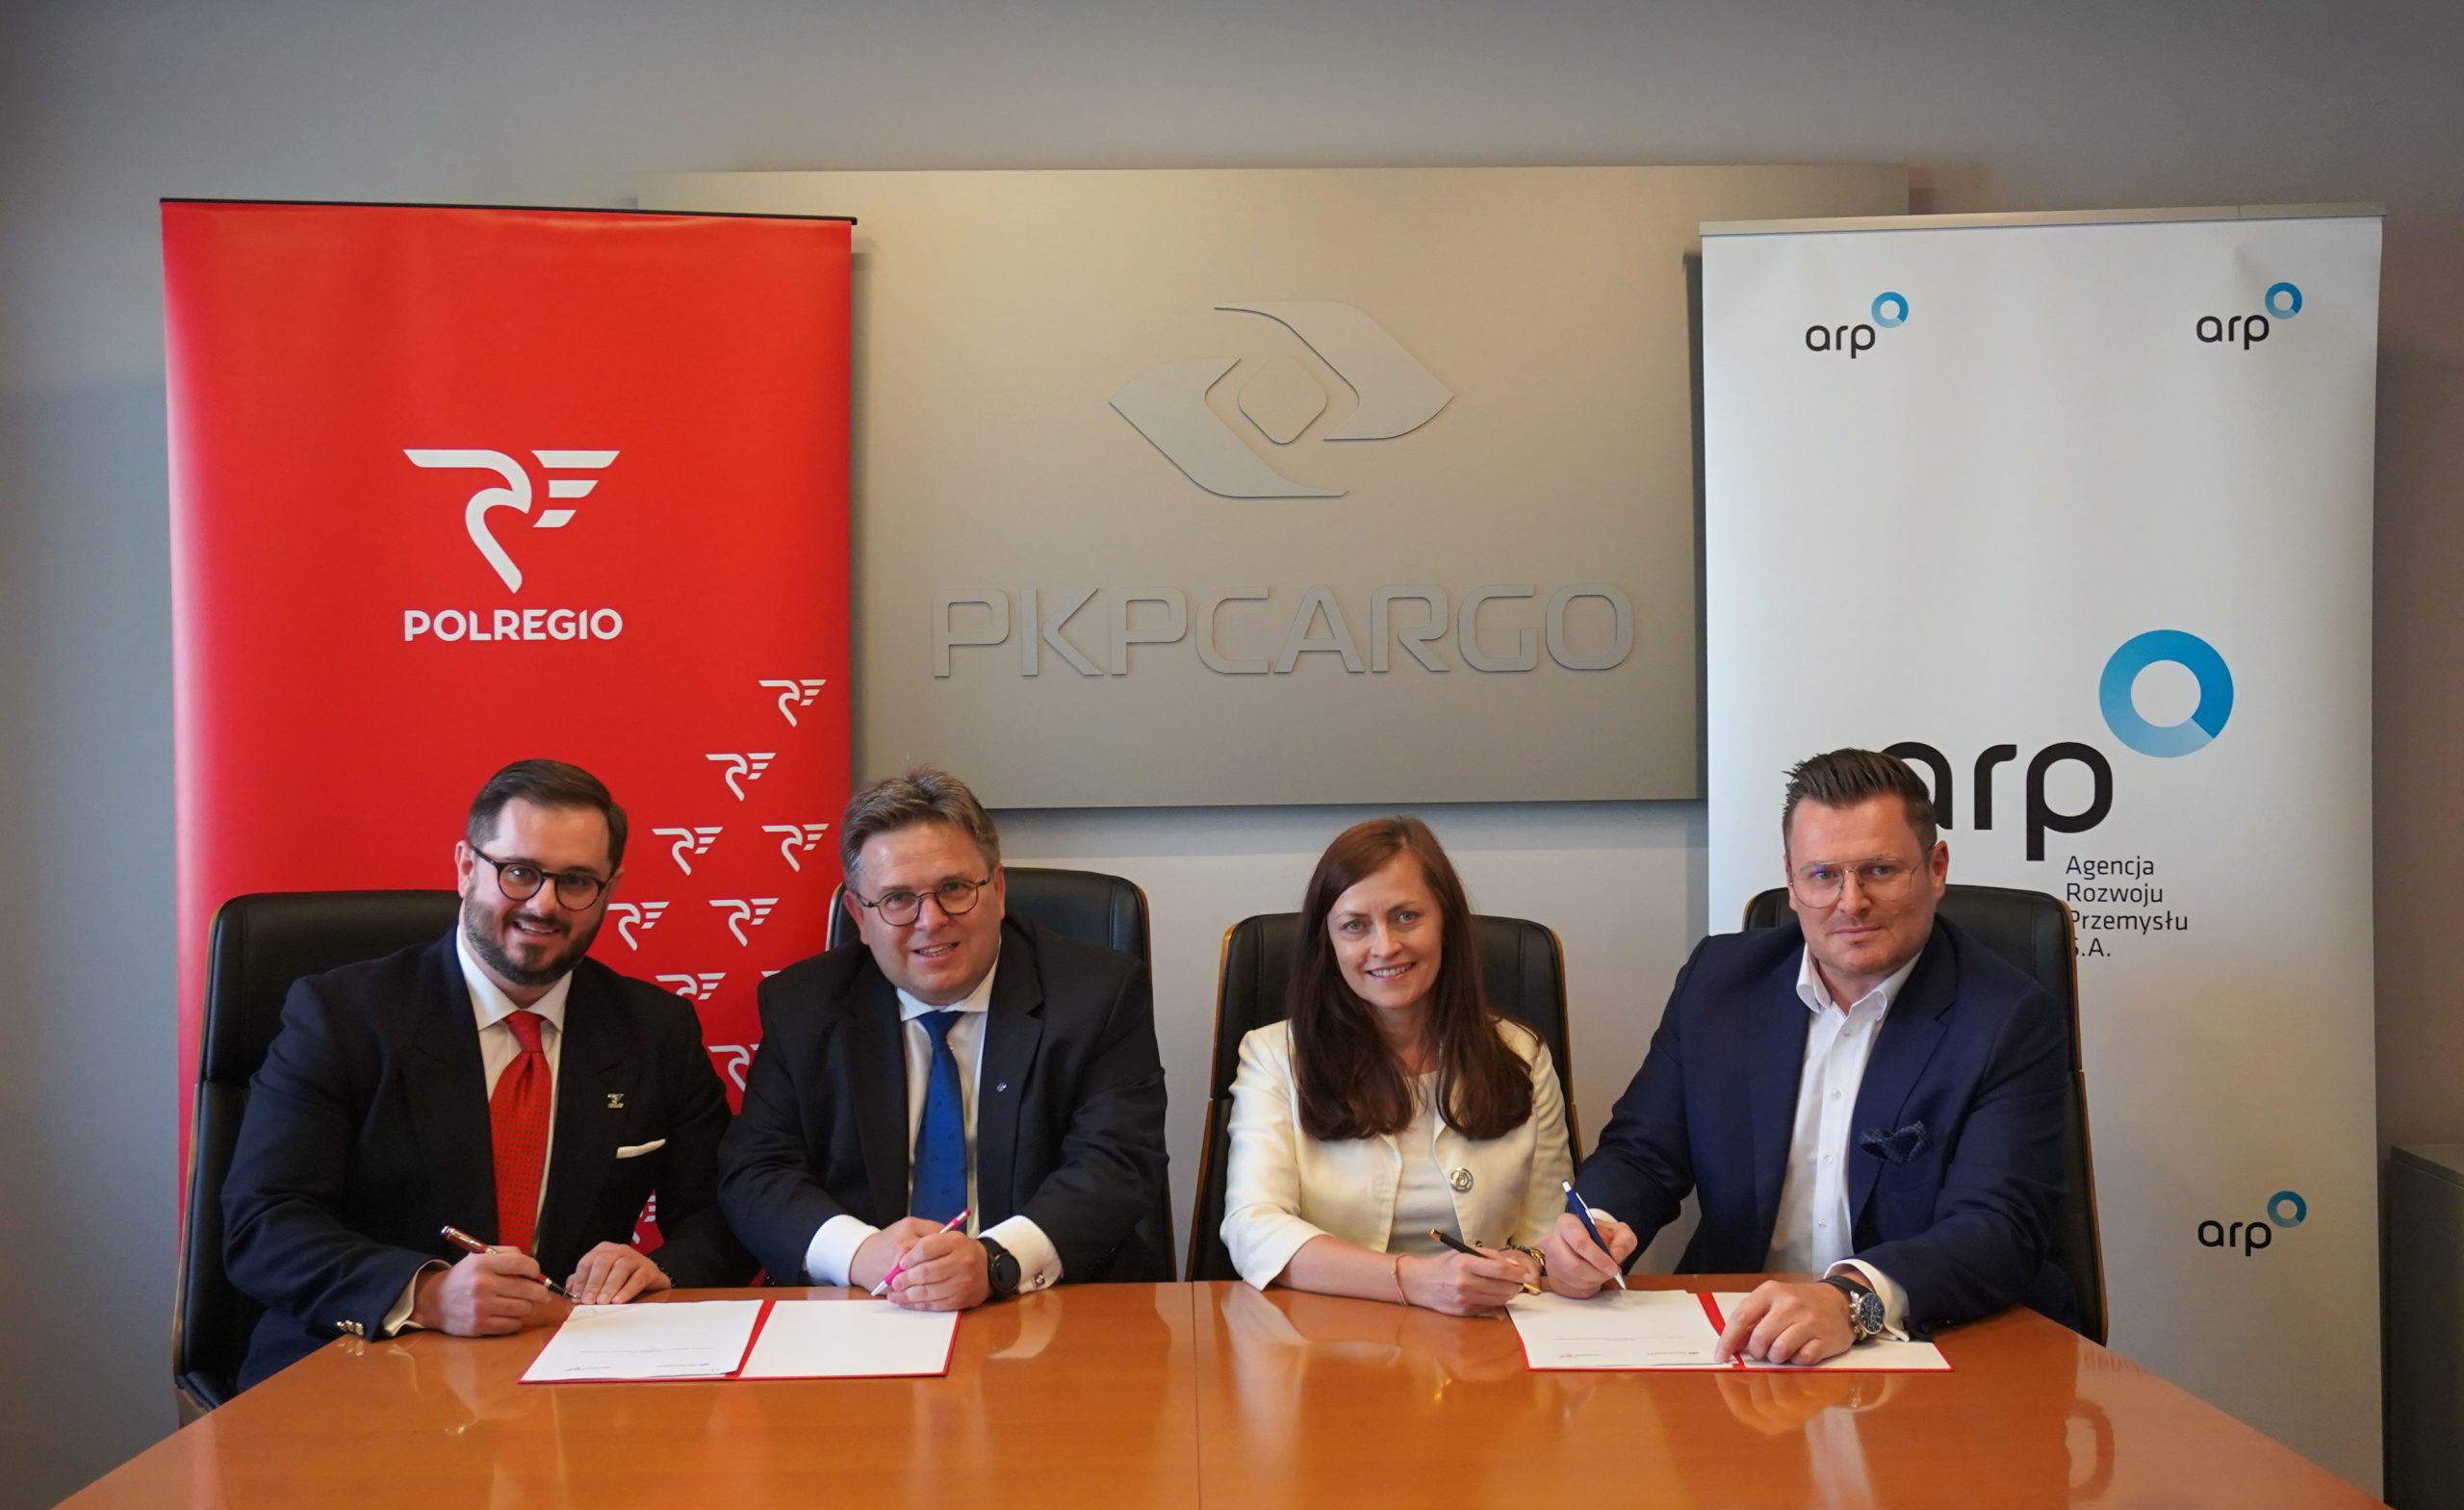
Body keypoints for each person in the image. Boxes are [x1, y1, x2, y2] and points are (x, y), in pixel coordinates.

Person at [223, 759, 753, 1390]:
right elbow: (263, 1222)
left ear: (610, 889)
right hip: (358, 1365)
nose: (544, 905)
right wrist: (426, 1294)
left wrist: (659, 1268)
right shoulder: (341, 1015)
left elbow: (724, 1214)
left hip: (572, 1374)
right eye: (519, 872)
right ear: (465, 867)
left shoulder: (655, 1029)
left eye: (576, 881)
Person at [1543, 748, 2073, 1363]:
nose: (1850, 902)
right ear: (1791, 883)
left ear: (1936, 869)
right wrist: (1595, 1225)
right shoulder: (1720, 982)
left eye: (1880, 870)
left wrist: (1850, 1300)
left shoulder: (2007, 1017)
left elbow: (1996, 1225)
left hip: (1935, 1340)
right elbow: (1643, 1152)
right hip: (1744, 1340)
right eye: (1822, 875)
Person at [718, 766, 1169, 1309]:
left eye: (954, 888)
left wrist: (996, 1261)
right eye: (897, 899)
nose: (930, 920)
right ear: (859, 915)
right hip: (868, 1307)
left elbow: (1117, 1164)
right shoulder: (802, 1006)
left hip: (1051, 1304)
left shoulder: (1097, 994)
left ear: (997, 889)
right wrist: (862, 1253)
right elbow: (757, 1172)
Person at [1220, 816, 1574, 1314]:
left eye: (1407, 916)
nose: (1385, 946)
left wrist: (1527, 1262)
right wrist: (1417, 1281)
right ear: (1328, 943)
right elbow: (1253, 1227)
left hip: (1487, 1332)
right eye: (1354, 926)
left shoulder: (1522, 1053)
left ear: (1447, 924)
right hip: (1327, 1333)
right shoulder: (1273, 1055)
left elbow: (1547, 1232)